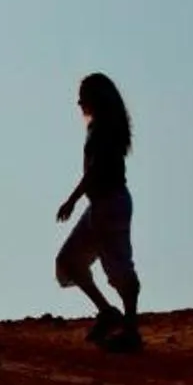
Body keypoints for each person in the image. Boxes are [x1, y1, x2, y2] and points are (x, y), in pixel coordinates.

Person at [55, 72, 142, 351]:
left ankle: (130, 329)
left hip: (109, 204)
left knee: (119, 268)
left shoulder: (104, 128)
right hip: (102, 205)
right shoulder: (101, 126)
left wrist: (72, 199)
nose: (79, 101)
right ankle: (108, 312)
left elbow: (96, 170)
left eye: (83, 95)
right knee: (69, 261)